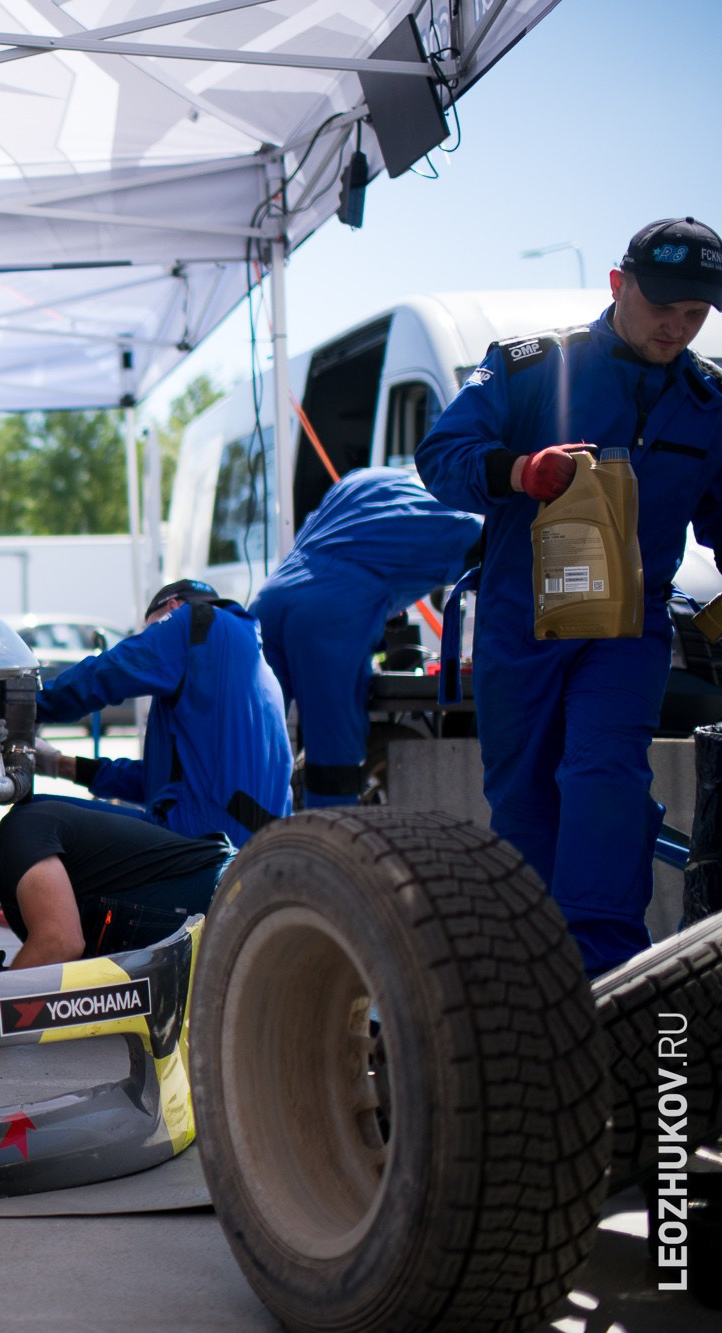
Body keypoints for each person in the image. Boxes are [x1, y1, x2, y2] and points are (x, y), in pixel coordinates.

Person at [417, 216, 722, 976]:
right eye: (663, 308)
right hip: (524, 633)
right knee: (524, 807)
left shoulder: (711, 403)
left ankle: (608, 974)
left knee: (603, 777)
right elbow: (441, 456)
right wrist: (522, 472)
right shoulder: (530, 367)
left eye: (696, 314)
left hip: (628, 633)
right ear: (619, 286)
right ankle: (535, 973)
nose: (677, 327)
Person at [249, 467, 482, 806]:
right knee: (333, 757)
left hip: (271, 601)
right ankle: (330, 850)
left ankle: (239, 848)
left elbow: (349, 550)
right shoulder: (465, 522)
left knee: (253, 744)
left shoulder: (366, 479)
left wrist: (384, 602)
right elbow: (491, 583)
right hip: (330, 617)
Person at [37, 578, 292, 846]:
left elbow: (110, 671)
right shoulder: (251, 661)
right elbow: (160, 782)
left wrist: (33, 703)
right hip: (258, 850)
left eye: (150, 631)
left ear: (172, 607)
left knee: (37, 817)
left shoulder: (195, 621)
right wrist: (59, 764)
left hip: (202, 840)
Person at [0, 800, 229, 969]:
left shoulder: (20, 834)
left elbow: (59, 942)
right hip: (215, 951)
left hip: (230, 894)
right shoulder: (18, 912)